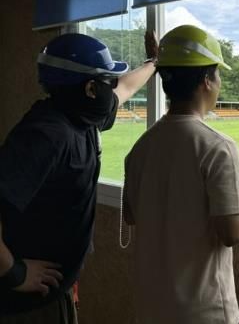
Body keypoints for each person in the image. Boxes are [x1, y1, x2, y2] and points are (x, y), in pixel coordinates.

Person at [0, 31, 158, 323]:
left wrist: (154, 62)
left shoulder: (81, 117)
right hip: (26, 306)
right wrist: (14, 271)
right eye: (107, 81)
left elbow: (126, 87)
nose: (113, 88)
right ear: (90, 88)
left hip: (54, 292)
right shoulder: (46, 135)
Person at [123, 25, 239, 324]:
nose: (219, 83)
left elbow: (132, 214)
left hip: (151, 308)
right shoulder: (219, 147)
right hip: (203, 312)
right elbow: (232, 232)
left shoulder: (141, 147)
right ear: (206, 80)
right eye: (218, 74)